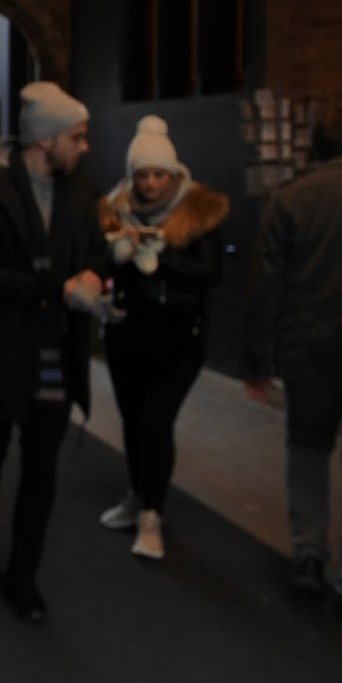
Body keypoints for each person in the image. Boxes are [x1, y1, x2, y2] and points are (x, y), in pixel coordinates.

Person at [0, 81, 110, 622]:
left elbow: (95, 253)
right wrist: (52, 289)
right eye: (78, 136)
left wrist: (96, 273)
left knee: (42, 470)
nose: (85, 146)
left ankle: (23, 576)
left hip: (55, 353)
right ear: (46, 139)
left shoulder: (83, 194)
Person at [243, 106, 342, 620]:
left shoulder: (290, 200)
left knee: (307, 449)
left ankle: (309, 554)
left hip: (308, 348)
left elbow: (266, 285)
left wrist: (259, 357)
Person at [96, 116, 229, 561]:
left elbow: (211, 273)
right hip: (127, 335)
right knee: (133, 421)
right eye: (142, 175)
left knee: (156, 422)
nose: (151, 184)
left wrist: (162, 262)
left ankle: (153, 514)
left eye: (158, 174)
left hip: (178, 339)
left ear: (174, 175)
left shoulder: (198, 212)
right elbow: (103, 268)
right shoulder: (115, 209)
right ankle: (137, 496)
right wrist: (115, 258)